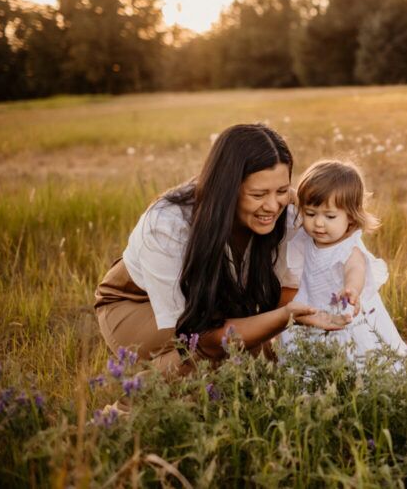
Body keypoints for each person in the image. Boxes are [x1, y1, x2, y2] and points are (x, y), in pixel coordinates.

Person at [94, 124, 346, 375]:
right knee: (208, 360)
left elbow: (288, 292)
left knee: (267, 368)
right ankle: (130, 406)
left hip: (217, 307)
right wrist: (281, 318)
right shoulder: (168, 224)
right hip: (137, 303)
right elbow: (203, 337)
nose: (272, 205)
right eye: (258, 194)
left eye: (282, 190)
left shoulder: (288, 214)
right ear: (228, 189)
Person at [277, 160, 407, 365]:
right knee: (311, 358)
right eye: (310, 213)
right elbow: (294, 200)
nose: (318, 223)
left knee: (355, 356)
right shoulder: (306, 236)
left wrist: (351, 289)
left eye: (330, 216)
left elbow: (355, 269)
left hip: (343, 313)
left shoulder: (348, 247)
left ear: (351, 218)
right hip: (313, 312)